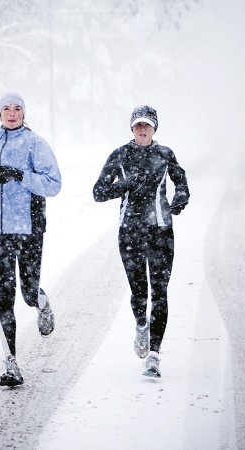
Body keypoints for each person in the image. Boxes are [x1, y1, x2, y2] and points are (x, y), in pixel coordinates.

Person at [0, 91, 62, 387]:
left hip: (29, 228)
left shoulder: (35, 144)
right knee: (4, 296)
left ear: (24, 114)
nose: (11, 113)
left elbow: (54, 184)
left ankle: (41, 304)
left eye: (17, 109)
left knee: (28, 292)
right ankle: (11, 364)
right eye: (6, 109)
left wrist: (20, 175)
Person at [92, 105, 189, 378]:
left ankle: (155, 356)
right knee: (139, 293)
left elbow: (181, 182)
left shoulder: (165, 154)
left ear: (155, 128)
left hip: (160, 232)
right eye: (138, 125)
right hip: (130, 232)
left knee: (160, 292)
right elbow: (98, 192)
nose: (143, 129)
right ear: (132, 129)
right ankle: (141, 325)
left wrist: (180, 197)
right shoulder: (120, 155)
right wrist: (124, 184)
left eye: (147, 125)